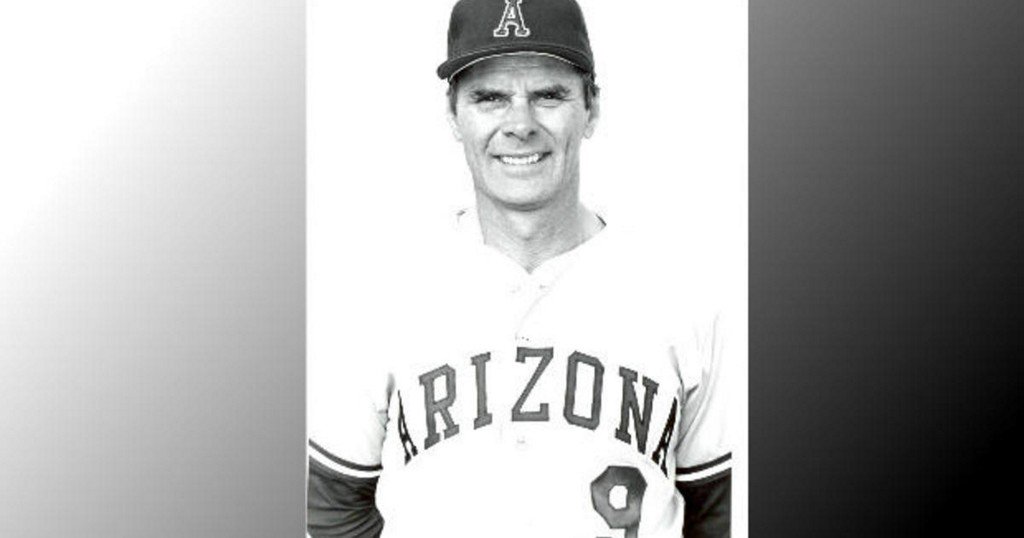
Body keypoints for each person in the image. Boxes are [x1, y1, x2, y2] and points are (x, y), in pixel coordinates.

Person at [308, 1, 733, 536]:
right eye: (490, 98)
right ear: (453, 114)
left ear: (592, 108)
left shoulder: (686, 296)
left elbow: (722, 512)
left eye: (548, 96)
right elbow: (332, 510)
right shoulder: (378, 292)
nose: (520, 125)